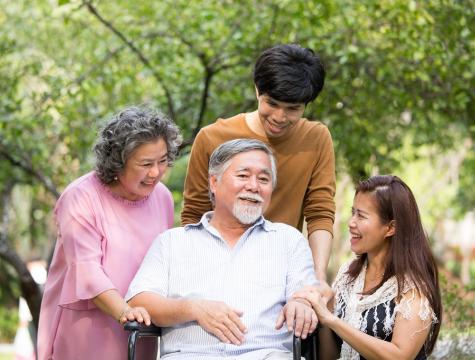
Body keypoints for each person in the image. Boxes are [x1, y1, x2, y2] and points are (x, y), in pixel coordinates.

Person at [126, 139, 318, 359]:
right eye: (243, 176)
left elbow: (306, 294)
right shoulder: (171, 242)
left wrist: (302, 303)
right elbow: (138, 302)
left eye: (263, 179)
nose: (254, 186)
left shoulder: (288, 240)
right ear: (214, 183)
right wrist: (192, 308)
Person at [37, 106, 181, 360]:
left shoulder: (163, 198)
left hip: (139, 325)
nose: (156, 172)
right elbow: (86, 270)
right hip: (88, 326)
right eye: (146, 164)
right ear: (118, 161)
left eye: (162, 161)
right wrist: (124, 311)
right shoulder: (80, 196)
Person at [181, 44, 335, 281]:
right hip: (218, 269)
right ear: (257, 91)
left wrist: (318, 276)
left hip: (280, 270)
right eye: (271, 103)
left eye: (293, 109)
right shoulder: (212, 137)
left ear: (306, 105)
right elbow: (194, 214)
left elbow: (320, 212)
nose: (279, 117)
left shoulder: (316, 138)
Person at [293, 175, 442, 360]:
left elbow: (399, 356)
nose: (351, 222)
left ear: (390, 228)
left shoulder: (413, 290)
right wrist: (327, 312)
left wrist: (333, 321)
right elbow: (329, 356)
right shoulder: (347, 275)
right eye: (352, 212)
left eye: (361, 216)